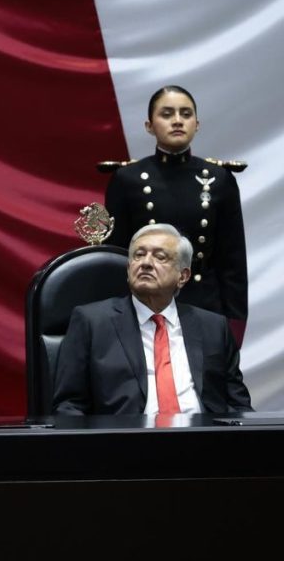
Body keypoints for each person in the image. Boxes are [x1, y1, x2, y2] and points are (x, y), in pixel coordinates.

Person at [52, 224, 251, 415]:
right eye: (138, 255)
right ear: (129, 269)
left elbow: (237, 403)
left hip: (203, 440)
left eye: (160, 257)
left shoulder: (213, 327)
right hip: (124, 442)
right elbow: (69, 406)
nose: (146, 263)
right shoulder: (92, 323)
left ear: (183, 276)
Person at [103, 85, 247, 342]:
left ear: (197, 124)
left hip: (205, 304)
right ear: (149, 125)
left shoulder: (219, 178)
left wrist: (234, 324)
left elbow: (232, 261)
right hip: (143, 304)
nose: (178, 121)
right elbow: (115, 256)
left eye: (186, 114)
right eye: (167, 114)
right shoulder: (127, 179)